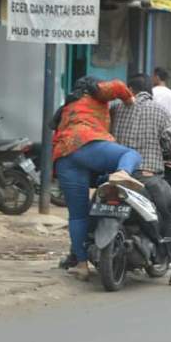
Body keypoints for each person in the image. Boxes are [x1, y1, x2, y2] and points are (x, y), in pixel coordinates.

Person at [52, 76, 144, 281]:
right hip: (87, 142)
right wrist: (129, 101)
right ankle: (122, 174)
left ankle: (82, 264)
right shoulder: (93, 93)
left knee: (77, 216)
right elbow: (119, 86)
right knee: (130, 156)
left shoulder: (67, 106)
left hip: (65, 157)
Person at [110, 73, 171, 286]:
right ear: (151, 90)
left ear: (130, 88)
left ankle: (77, 259)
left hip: (116, 178)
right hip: (147, 178)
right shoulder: (159, 111)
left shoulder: (115, 109)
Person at [152, 67, 171, 131]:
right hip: (167, 129)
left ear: (157, 77)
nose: (152, 78)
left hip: (152, 127)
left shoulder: (150, 92)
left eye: (153, 76)